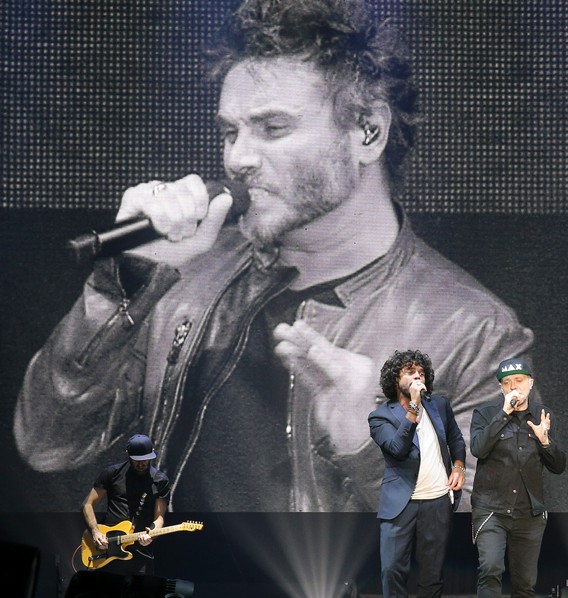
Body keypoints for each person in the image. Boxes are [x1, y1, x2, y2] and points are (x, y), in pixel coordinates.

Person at [13, 0, 531, 512]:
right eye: (230, 131)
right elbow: (47, 442)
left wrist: (371, 447)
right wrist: (123, 286)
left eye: (273, 127)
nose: (237, 158)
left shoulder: (476, 332)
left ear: (368, 132)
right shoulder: (185, 270)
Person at [369, 350, 465, 598]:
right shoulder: (380, 417)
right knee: (392, 572)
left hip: (437, 501)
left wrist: (459, 466)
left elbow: (456, 439)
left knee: (432, 577)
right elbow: (397, 448)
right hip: (400, 505)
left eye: (421, 372)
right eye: (410, 372)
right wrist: (413, 406)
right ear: (395, 379)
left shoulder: (440, 406)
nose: (417, 376)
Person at [469, 358, 565, 598]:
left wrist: (545, 441)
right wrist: (504, 413)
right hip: (491, 510)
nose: (514, 387)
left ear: (531, 383)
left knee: (525, 583)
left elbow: (559, 465)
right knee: (490, 570)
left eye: (520, 381)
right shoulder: (486, 413)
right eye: (508, 383)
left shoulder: (542, 415)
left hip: (529, 513)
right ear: (501, 387)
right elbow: (478, 448)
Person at [82, 434, 170, 575]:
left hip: (139, 552)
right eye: (136, 460)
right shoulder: (112, 473)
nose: (141, 464)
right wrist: (95, 532)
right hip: (107, 548)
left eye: (145, 459)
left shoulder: (160, 481)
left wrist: (151, 535)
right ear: (128, 454)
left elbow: (159, 517)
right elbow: (88, 504)